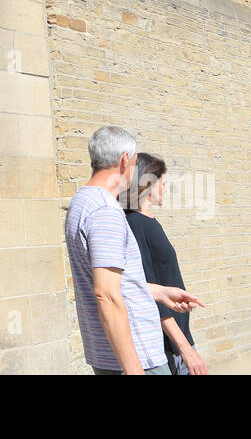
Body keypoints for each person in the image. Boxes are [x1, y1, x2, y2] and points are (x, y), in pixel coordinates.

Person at [64, 125, 202, 375]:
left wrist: (158, 292)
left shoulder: (82, 202)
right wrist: (134, 370)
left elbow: (114, 283)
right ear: (124, 160)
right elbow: (106, 295)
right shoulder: (105, 211)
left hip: (107, 354)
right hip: (138, 359)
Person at [124, 153, 207, 375]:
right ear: (147, 183)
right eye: (163, 181)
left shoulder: (148, 223)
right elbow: (149, 293)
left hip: (177, 338)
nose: (166, 187)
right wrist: (186, 350)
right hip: (167, 345)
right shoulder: (135, 225)